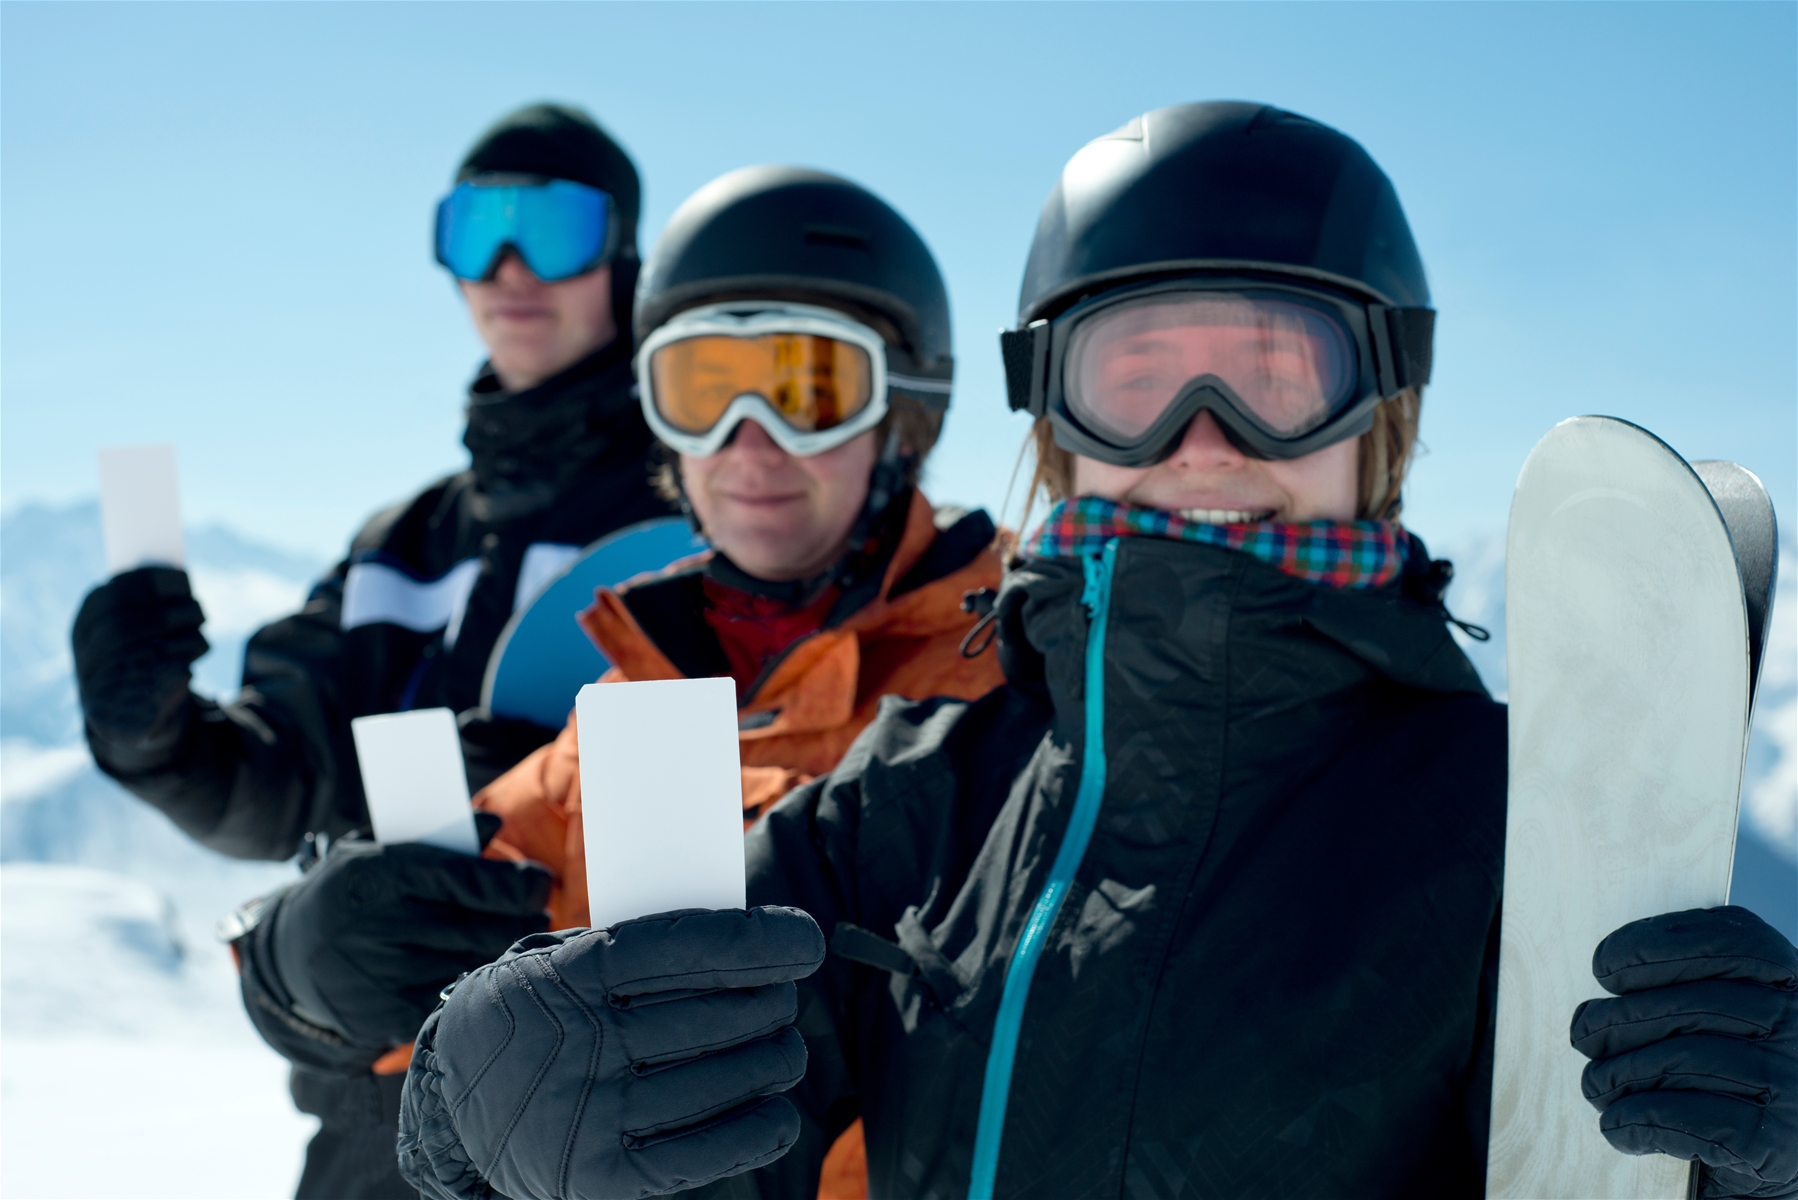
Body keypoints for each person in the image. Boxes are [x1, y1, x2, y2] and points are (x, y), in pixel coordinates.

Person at [397, 104, 1798, 1200]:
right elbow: (690, 1148)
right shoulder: (908, 809)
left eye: (1271, 374)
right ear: (1052, 419)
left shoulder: (1520, 826)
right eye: (1132, 379)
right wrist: (477, 1115)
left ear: (1377, 411)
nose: (1199, 439)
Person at [235, 165, 1009, 1200]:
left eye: (805, 389)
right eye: (702, 388)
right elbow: (440, 970)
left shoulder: (1025, 685)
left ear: (900, 409)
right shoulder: (626, 714)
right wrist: (303, 968)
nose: (747, 441)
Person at [72, 102, 672, 1199]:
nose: (504, 268)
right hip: (376, 1116)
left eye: (553, 231)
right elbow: (279, 788)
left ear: (625, 257)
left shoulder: (693, 516)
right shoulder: (400, 546)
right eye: (471, 229)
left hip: (598, 1106)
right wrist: (154, 735)